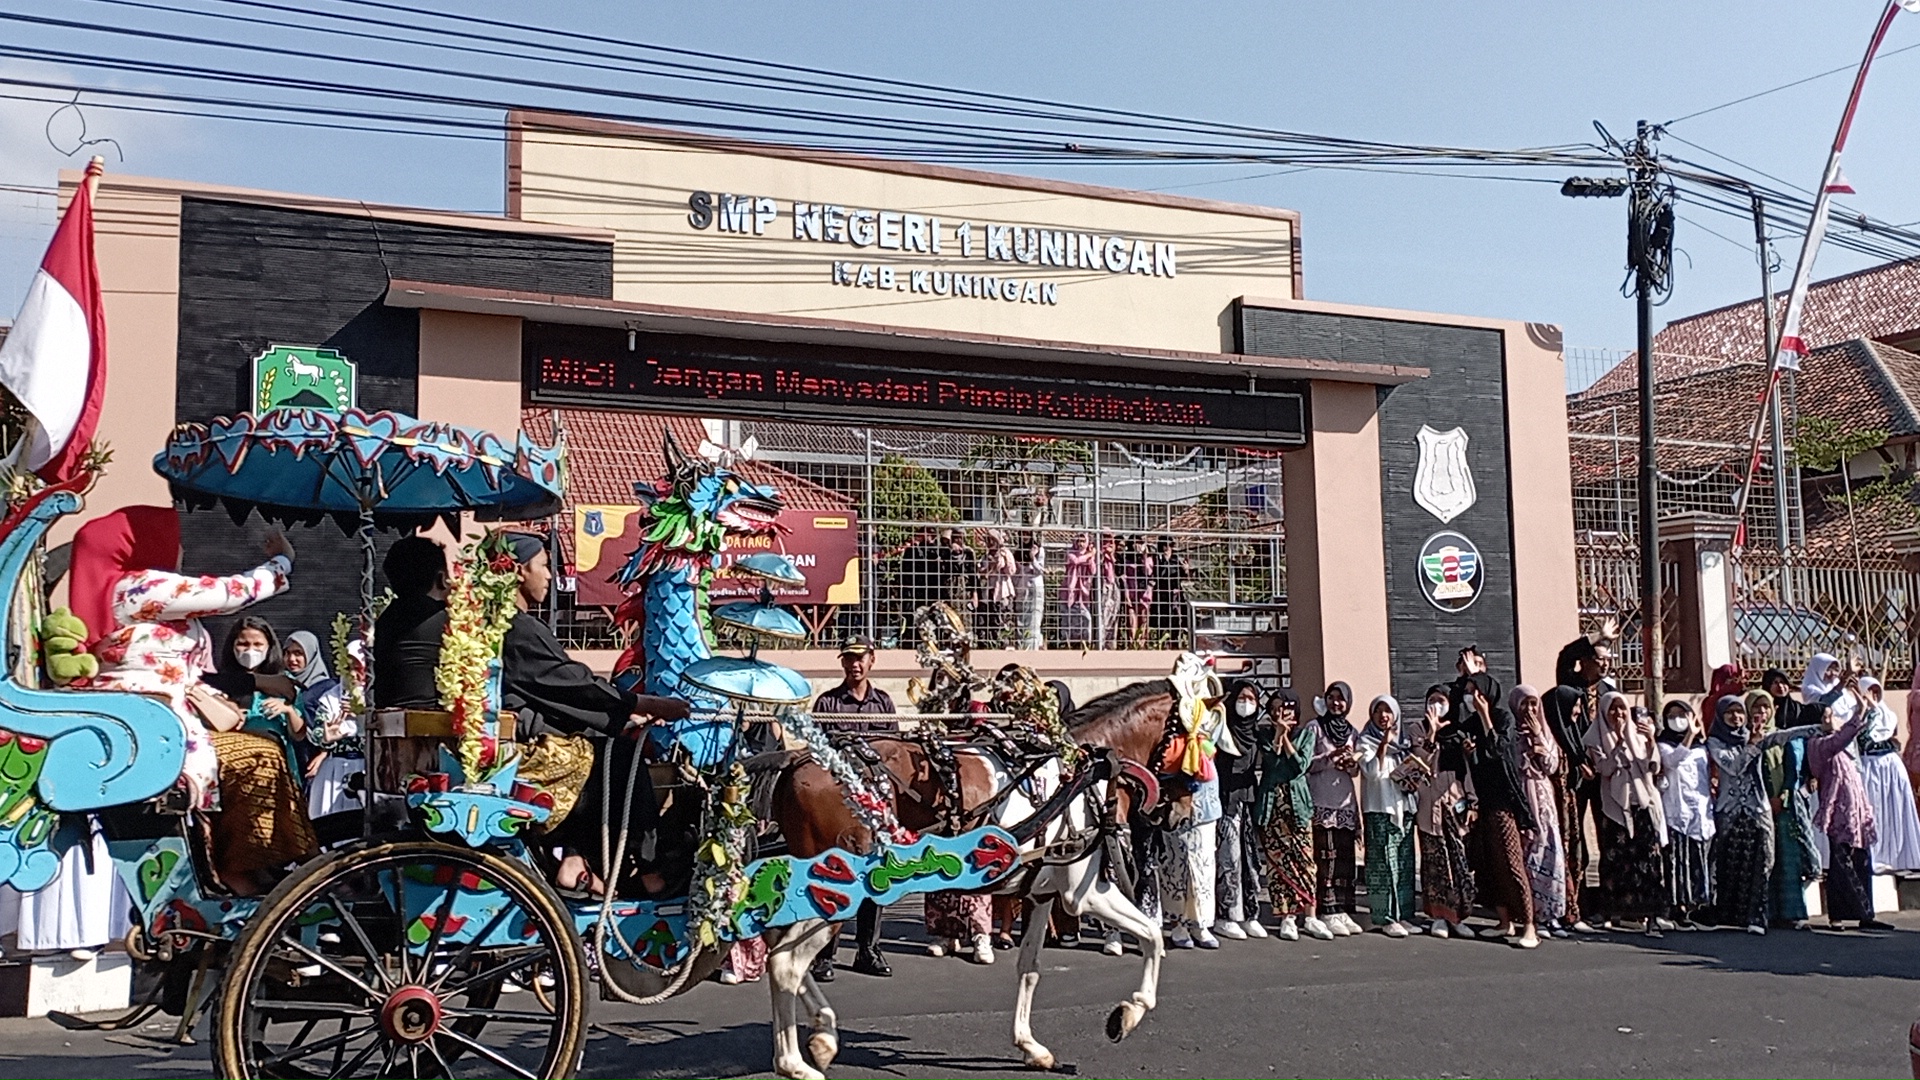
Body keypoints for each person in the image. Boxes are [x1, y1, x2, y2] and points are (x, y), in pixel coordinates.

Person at [70, 507, 314, 896]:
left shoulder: (128, 592)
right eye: (171, 538)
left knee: (260, 750)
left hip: (162, 718)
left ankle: (256, 865)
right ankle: (241, 869)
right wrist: (283, 561)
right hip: (154, 727)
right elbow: (229, 594)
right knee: (258, 757)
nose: (181, 547)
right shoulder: (140, 586)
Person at [493, 533, 690, 901]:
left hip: (532, 729)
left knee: (612, 749)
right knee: (621, 757)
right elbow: (571, 684)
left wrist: (623, 714)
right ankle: (648, 872)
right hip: (525, 748)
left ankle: (577, 858)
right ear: (519, 571)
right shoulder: (516, 628)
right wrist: (641, 704)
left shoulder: (509, 625)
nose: (550, 577)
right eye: (543, 566)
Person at [811, 637, 899, 979]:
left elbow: (894, 753)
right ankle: (825, 954)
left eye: (859, 658)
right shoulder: (828, 702)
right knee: (836, 875)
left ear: (871, 660)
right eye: (848, 659)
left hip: (875, 804)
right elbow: (816, 753)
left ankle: (868, 949)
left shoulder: (884, 703)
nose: (854, 665)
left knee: (876, 874)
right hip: (836, 803)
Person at [1708, 693, 1822, 934]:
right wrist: (1752, 745)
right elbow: (1734, 766)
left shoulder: (1756, 736)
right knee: (1731, 866)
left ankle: (1756, 917)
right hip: (1730, 812)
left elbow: (1783, 735)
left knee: (1762, 864)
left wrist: (1819, 728)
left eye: (1740, 712)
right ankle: (1731, 916)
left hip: (1758, 810)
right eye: (1730, 712)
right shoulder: (1715, 742)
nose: (1736, 717)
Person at [1456, 664, 1537, 948]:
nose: (1470, 698)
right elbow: (1456, 732)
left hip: (1505, 803)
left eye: (1473, 692)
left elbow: (1500, 752)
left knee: (1512, 863)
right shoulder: (1472, 724)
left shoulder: (1502, 718)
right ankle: (1504, 922)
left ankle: (1529, 926)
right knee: (1490, 867)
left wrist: (1485, 715)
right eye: (1468, 693)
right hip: (1483, 803)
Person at [1806, 672, 1889, 930]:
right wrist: (1860, 710)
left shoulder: (1841, 745)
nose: (1831, 719)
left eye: (1832, 715)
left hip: (1857, 811)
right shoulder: (1818, 745)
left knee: (1862, 861)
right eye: (1826, 716)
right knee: (1841, 865)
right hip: (1838, 813)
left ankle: (1866, 915)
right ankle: (1837, 916)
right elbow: (1843, 738)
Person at [1543, 631, 1610, 933]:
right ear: (1585, 662)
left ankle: (1606, 906)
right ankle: (1574, 902)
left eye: (1609, 661)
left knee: (1609, 837)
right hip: (1576, 774)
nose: (1605, 666)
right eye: (1599, 660)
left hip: (1605, 776)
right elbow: (1565, 655)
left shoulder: (1608, 692)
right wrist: (1597, 636)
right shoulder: (1570, 687)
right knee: (1574, 837)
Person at [1585, 693, 1667, 935]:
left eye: (1622, 709)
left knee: (1648, 859)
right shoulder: (1595, 738)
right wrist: (1619, 742)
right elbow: (1605, 768)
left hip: (1641, 803)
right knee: (1616, 860)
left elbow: (1651, 766)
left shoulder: (1639, 735)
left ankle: (1651, 915)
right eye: (1613, 709)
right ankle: (1613, 911)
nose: (1618, 714)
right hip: (1614, 807)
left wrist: (1648, 741)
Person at [1255, 689, 1333, 941]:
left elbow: (1300, 766)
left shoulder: (1306, 735)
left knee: (1305, 861)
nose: (1280, 712)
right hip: (1272, 805)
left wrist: (1286, 740)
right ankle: (1286, 916)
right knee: (1278, 864)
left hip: (1297, 804)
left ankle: (1310, 915)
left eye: (1286, 707)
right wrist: (1278, 736)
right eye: (1275, 707)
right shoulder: (1264, 734)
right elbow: (1271, 763)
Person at [1410, 684, 1476, 939]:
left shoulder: (1458, 732)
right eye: (1432, 700)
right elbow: (1419, 763)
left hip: (1454, 803)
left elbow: (1466, 769)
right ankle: (1438, 917)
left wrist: (1472, 801)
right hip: (1429, 806)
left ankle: (1459, 916)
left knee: (1459, 862)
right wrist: (1432, 735)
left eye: (1441, 700)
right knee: (1434, 862)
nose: (1437, 705)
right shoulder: (1417, 730)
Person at [1761, 674, 1823, 929]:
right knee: (1765, 859)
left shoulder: (1794, 729)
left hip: (1789, 802)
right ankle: (1765, 912)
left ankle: (1792, 913)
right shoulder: (1754, 737)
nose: (1781, 687)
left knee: (1789, 858)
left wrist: (1790, 790)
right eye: (1760, 707)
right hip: (1764, 803)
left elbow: (1795, 768)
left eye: (1784, 682)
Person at [1213, 679, 1269, 940]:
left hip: (1248, 801)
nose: (1246, 703)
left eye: (1252, 699)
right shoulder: (1221, 731)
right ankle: (1226, 915)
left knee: (1249, 859)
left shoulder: (1256, 733)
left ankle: (1249, 913)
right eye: (1241, 698)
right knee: (1229, 858)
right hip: (1226, 801)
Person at [1358, 695, 1417, 937]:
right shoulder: (1365, 742)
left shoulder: (1403, 743)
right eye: (1378, 711)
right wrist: (1383, 744)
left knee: (1403, 863)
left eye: (1388, 711)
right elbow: (1372, 773)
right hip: (1379, 810)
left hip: (1404, 809)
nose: (1384, 716)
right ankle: (1385, 917)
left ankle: (1404, 914)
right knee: (1383, 865)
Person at [1306, 680, 1363, 936]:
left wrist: (1350, 762)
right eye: (1332, 697)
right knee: (1326, 859)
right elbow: (1305, 764)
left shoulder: (1352, 732)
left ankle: (1342, 908)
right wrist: (1329, 757)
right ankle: (1327, 909)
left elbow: (1356, 770)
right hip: (1322, 801)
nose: (1336, 703)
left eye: (1341, 699)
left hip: (1345, 803)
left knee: (1344, 859)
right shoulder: (1315, 728)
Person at [1511, 684, 1567, 936]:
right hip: (1523, 797)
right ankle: (1530, 914)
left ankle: (1552, 914)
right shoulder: (1511, 733)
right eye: (1525, 704)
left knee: (1551, 855)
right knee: (1528, 855)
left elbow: (1551, 765)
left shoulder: (1545, 732)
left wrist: (1538, 737)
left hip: (1544, 799)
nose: (1530, 709)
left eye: (1534, 704)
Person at [371, 535, 450, 708]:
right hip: (434, 723)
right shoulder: (450, 621)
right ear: (442, 578)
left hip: (386, 718)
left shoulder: (385, 620)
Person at [1653, 700, 1711, 931]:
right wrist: (1689, 735)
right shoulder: (1663, 745)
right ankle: (1679, 909)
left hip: (1700, 810)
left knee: (1698, 861)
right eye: (1672, 715)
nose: (1677, 719)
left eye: (1682, 714)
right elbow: (1673, 761)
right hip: (1676, 812)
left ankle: (1698, 907)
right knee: (1678, 862)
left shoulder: (1703, 747)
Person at [1856, 676, 1920, 873]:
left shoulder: (1889, 715)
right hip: (1869, 767)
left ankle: (1899, 858)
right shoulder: (1858, 716)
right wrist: (1870, 711)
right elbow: (1864, 740)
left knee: (1894, 811)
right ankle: (1876, 856)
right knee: (1874, 811)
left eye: (1876, 692)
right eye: (1869, 692)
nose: (1873, 696)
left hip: (1890, 767)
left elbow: (1892, 737)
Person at [980, 530, 1016, 648]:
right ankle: (993, 644)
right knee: (992, 619)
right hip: (990, 591)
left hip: (1003, 591)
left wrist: (1003, 561)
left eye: (992, 540)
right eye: (988, 540)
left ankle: (1005, 644)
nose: (990, 543)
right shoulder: (986, 556)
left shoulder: (1005, 553)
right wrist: (989, 567)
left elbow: (1012, 571)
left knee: (1004, 618)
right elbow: (981, 572)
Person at [1060, 535, 1095, 649]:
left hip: (1084, 591)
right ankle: (1066, 643)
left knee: (1086, 617)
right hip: (1070, 591)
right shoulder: (1071, 552)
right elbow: (1076, 561)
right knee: (1068, 618)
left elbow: (1093, 570)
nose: (1080, 544)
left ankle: (1086, 643)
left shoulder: (1089, 555)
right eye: (1078, 541)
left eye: (1083, 541)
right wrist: (1090, 554)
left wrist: (1090, 558)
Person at [1012, 537, 1046, 650]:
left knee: (1034, 621)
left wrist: (1032, 558)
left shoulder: (1039, 550)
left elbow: (1039, 570)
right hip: (1021, 589)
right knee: (1021, 620)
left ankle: (1033, 648)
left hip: (1035, 589)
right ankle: (1021, 647)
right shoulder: (1018, 551)